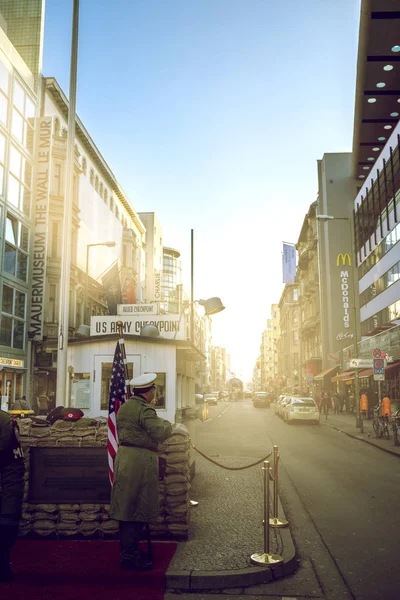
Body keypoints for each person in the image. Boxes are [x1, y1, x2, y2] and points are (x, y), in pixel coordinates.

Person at [110, 373, 172, 571]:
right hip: (139, 462)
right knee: (135, 509)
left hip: (125, 458)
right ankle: (129, 557)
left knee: (127, 507)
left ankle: (130, 552)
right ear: (148, 392)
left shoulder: (126, 406)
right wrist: (167, 424)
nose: (155, 393)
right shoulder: (145, 409)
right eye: (154, 390)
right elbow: (160, 432)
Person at [0, 410, 25, 582]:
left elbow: (13, 469)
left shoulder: (5, 424)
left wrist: (9, 513)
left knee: (7, 525)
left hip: (8, 480)